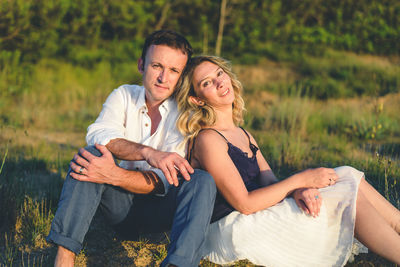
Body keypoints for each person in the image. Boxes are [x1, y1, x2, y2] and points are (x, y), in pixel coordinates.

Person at [176, 55, 400, 266]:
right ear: (197, 100)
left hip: (257, 214)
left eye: (219, 73)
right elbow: (244, 203)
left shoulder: (243, 133)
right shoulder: (208, 139)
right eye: (207, 83)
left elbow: (271, 183)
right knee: (344, 192)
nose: (219, 82)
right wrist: (300, 179)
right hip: (232, 228)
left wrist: (298, 190)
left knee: (347, 174)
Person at [46, 30, 217, 267]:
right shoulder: (124, 95)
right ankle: (65, 256)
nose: (163, 77)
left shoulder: (185, 113)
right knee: (92, 155)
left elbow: (164, 180)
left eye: (174, 71)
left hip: (163, 212)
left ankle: (178, 263)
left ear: (181, 76)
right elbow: (99, 135)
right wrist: (148, 153)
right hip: (120, 207)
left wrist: (114, 174)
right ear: (141, 65)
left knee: (201, 180)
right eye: (157, 66)